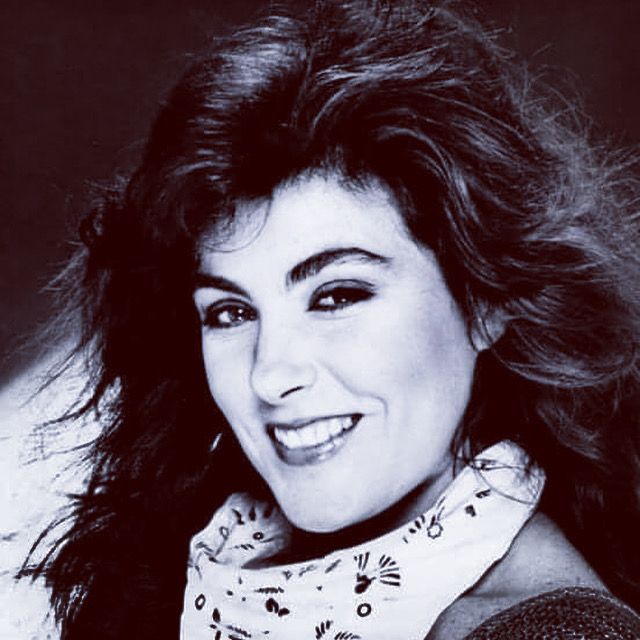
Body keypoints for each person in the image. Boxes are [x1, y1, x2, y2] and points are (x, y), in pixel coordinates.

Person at [20, 0, 640, 638]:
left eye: (337, 296)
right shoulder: (213, 558)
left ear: (485, 301)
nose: (270, 374)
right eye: (231, 312)